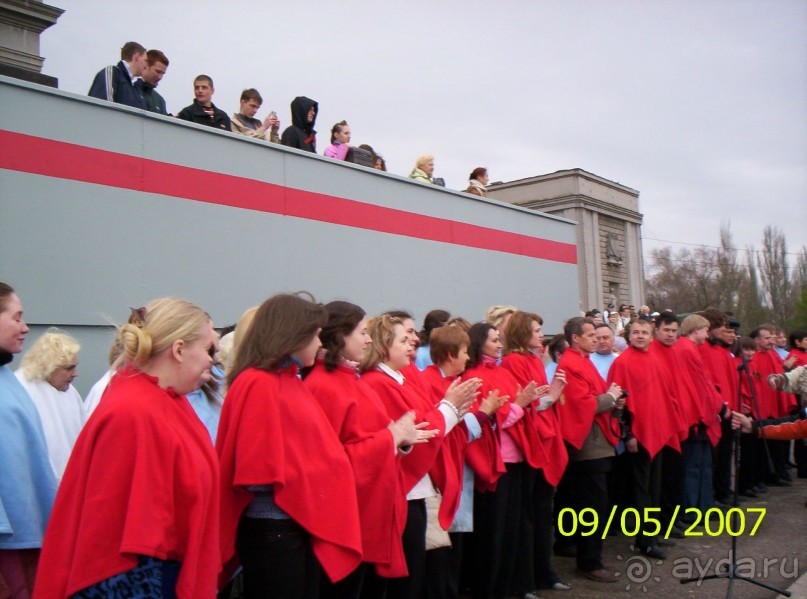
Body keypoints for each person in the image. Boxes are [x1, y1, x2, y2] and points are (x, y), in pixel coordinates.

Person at [35, 298, 221, 598]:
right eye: (207, 349)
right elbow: (118, 539)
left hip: (159, 570)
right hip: (143, 578)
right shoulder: (135, 411)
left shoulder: (162, 402)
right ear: (179, 350)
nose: (212, 360)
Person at [217, 294, 362, 598]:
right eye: (314, 335)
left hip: (293, 525)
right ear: (293, 335)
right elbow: (255, 470)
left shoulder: (288, 380)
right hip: (275, 527)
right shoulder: (259, 382)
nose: (319, 343)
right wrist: (315, 476)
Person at [303, 301, 434, 596]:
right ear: (340, 335)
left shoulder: (350, 380)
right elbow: (331, 460)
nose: (368, 340)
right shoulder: (324, 385)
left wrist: (399, 440)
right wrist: (391, 438)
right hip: (347, 514)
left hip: (366, 509)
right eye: (362, 333)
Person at [360, 314, 477, 599]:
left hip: (416, 490)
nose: (413, 343)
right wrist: (450, 408)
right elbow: (422, 431)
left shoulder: (400, 379)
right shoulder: (379, 383)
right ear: (384, 346)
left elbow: (426, 422)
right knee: (407, 579)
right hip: (404, 489)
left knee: (416, 571)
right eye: (403, 339)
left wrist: (451, 409)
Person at [462, 322, 542, 599]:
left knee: (514, 527)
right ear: (479, 343)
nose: (499, 344)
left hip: (516, 457)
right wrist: (520, 404)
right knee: (494, 530)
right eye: (494, 340)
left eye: (500, 339)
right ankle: (490, 587)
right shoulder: (473, 376)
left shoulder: (502, 371)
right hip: (495, 461)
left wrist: (526, 402)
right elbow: (489, 421)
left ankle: (513, 583)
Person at [500, 312, 570, 596]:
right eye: (537, 331)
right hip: (530, 443)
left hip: (541, 438)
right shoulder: (514, 361)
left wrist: (551, 395)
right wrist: (551, 396)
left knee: (541, 513)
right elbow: (527, 403)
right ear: (522, 333)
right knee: (531, 514)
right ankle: (528, 578)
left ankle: (543, 572)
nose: (542, 335)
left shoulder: (531, 359)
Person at [554, 317, 623, 583]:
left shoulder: (582, 361)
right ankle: (589, 561)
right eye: (591, 335)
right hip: (589, 444)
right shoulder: (572, 364)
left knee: (587, 502)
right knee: (593, 506)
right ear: (576, 338)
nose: (596, 339)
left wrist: (612, 398)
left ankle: (582, 552)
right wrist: (611, 397)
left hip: (594, 441)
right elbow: (582, 405)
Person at [0, 283, 57, 599]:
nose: (25, 328)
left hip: (27, 534)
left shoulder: (8, 378)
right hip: (8, 543)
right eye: (16, 317)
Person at [608, 319, 681, 560]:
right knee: (642, 490)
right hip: (638, 436)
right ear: (629, 336)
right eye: (636, 332)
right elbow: (618, 404)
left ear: (652, 336)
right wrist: (628, 434)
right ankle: (645, 540)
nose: (640, 336)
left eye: (644, 333)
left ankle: (652, 533)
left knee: (655, 486)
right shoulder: (622, 362)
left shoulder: (655, 359)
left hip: (657, 431)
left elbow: (664, 396)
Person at [672, 314, 727, 519]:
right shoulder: (686, 349)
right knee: (695, 466)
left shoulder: (687, 348)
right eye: (705, 330)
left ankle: (702, 506)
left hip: (700, 414)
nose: (707, 334)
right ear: (696, 330)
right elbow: (700, 385)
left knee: (702, 465)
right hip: (696, 416)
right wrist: (717, 407)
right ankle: (693, 509)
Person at [15, 329, 86, 480]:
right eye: (69, 368)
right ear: (49, 366)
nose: (76, 373)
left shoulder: (70, 392)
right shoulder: (23, 391)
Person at [88, 41, 146, 109]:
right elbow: (102, 107)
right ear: (137, 57)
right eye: (145, 60)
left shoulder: (137, 88)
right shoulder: (112, 72)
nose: (146, 64)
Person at [135, 49, 169, 114]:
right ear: (146, 66)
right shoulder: (130, 89)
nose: (160, 77)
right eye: (158, 71)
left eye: (163, 73)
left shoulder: (160, 100)